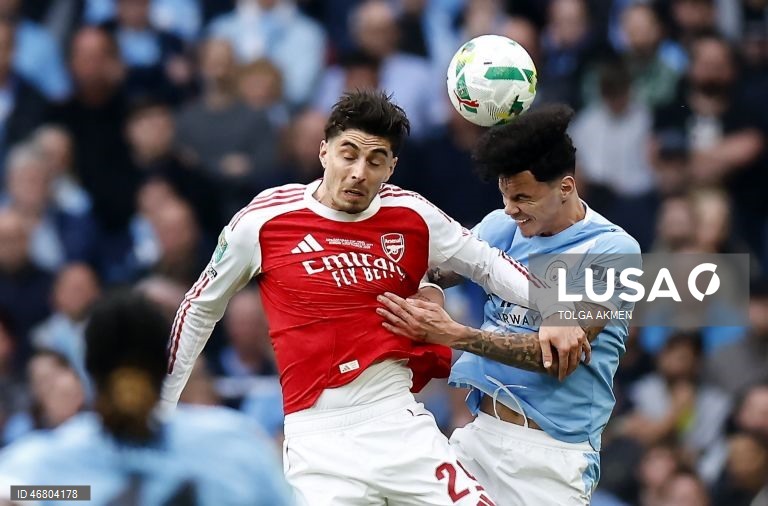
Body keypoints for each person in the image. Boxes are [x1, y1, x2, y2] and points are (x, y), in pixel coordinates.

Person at [161, 89, 587, 505]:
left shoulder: (412, 213)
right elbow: (199, 309)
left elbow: (489, 264)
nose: (359, 172)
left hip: (399, 424)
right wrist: (160, 410)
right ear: (324, 151)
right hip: (318, 441)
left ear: (391, 167)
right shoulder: (264, 219)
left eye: (375, 160)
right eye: (349, 154)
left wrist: (554, 307)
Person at [378, 104, 642, 505]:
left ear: (566, 188)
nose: (510, 208)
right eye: (504, 194)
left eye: (522, 197)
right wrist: (432, 291)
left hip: (551, 457)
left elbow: (553, 355)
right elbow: (432, 268)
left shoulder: (612, 250)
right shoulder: (501, 226)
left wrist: (454, 334)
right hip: (479, 437)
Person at [0, 292, 292, 505]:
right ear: (164, 367)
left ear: (90, 372)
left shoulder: (57, 470)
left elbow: (27, 490)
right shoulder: (233, 445)